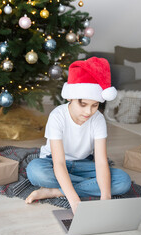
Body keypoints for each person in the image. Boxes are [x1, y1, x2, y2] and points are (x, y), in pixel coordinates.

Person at [25, 57, 131, 214]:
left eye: (95, 105)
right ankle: (82, 187)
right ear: (70, 97)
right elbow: (59, 163)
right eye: (83, 104)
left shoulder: (98, 119)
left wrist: (106, 198)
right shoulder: (57, 115)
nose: (89, 112)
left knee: (123, 181)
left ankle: (56, 191)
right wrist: (74, 200)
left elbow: (101, 162)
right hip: (54, 163)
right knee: (35, 171)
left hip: (84, 164)